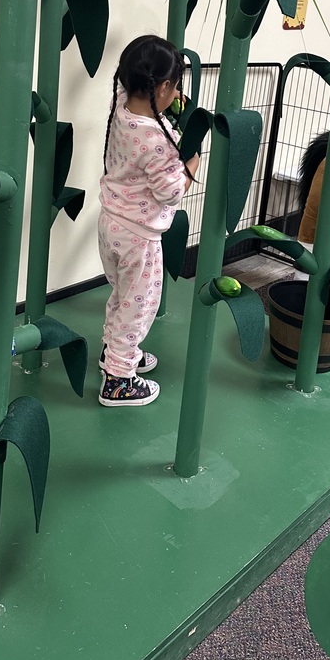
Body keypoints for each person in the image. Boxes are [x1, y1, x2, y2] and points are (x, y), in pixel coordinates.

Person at [97, 35, 200, 406]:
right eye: (175, 86)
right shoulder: (155, 137)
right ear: (163, 87)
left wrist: (167, 107)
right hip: (139, 236)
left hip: (111, 224)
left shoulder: (122, 105)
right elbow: (169, 192)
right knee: (138, 307)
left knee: (123, 296)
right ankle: (119, 380)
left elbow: (148, 128)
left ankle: (114, 353)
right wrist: (192, 162)